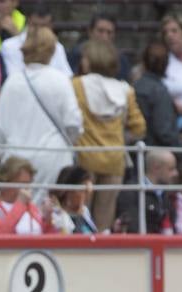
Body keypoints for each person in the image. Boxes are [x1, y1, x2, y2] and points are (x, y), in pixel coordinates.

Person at [0, 27, 81, 199]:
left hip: (16, 159)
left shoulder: (12, 81)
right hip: (54, 158)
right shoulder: (60, 80)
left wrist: (3, 155)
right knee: (50, 216)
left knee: (17, 214)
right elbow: (73, 123)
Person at [73, 38, 146, 232]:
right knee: (104, 221)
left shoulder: (77, 85)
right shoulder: (125, 90)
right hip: (114, 161)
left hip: (85, 159)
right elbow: (139, 127)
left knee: (82, 217)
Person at [0, 155, 53, 233]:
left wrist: (47, 219)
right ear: (6, 181)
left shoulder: (31, 206)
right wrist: (19, 204)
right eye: (22, 183)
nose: (26, 188)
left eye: (28, 183)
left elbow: (47, 238)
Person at [0, 2, 71, 79]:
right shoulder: (9, 46)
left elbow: (67, 77)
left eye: (43, 26)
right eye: (35, 26)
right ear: (28, 22)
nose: (39, 31)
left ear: (51, 26)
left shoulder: (58, 47)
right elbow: (14, 78)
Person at [114, 147, 179, 234]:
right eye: (171, 169)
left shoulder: (167, 193)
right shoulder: (132, 191)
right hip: (143, 246)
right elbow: (132, 228)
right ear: (156, 168)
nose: (176, 173)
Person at [134, 41, 182, 149]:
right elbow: (165, 132)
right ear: (166, 64)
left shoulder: (133, 87)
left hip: (137, 150)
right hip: (156, 154)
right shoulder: (159, 92)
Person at [68, 13, 131, 81]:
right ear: (90, 32)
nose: (104, 37)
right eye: (100, 31)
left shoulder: (121, 60)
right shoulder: (76, 54)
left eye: (109, 32)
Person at [49, 164, 97, 234]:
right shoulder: (55, 216)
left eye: (88, 192)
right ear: (67, 191)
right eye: (82, 191)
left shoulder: (85, 212)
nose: (86, 196)